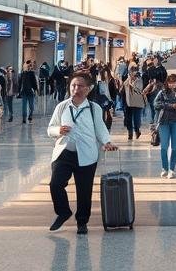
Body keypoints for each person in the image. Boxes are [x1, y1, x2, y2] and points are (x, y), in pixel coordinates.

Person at [47, 73, 118, 234]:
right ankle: (63, 212)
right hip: (64, 152)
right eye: (73, 85)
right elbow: (50, 128)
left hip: (87, 154)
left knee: (84, 190)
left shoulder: (94, 108)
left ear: (88, 89)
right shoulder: (62, 107)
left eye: (80, 86)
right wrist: (58, 130)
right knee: (55, 184)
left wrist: (107, 142)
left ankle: (82, 222)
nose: (76, 89)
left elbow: (100, 128)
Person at [123, 64, 146, 141]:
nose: (131, 73)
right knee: (128, 119)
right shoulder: (128, 79)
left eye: (133, 72)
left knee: (136, 119)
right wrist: (128, 81)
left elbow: (139, 90)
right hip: (128, 102)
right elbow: (124, 86)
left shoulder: (139, 80)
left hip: (137, 103)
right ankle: (130, 133)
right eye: (130, 72)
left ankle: (137, 130)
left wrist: (132, 84)